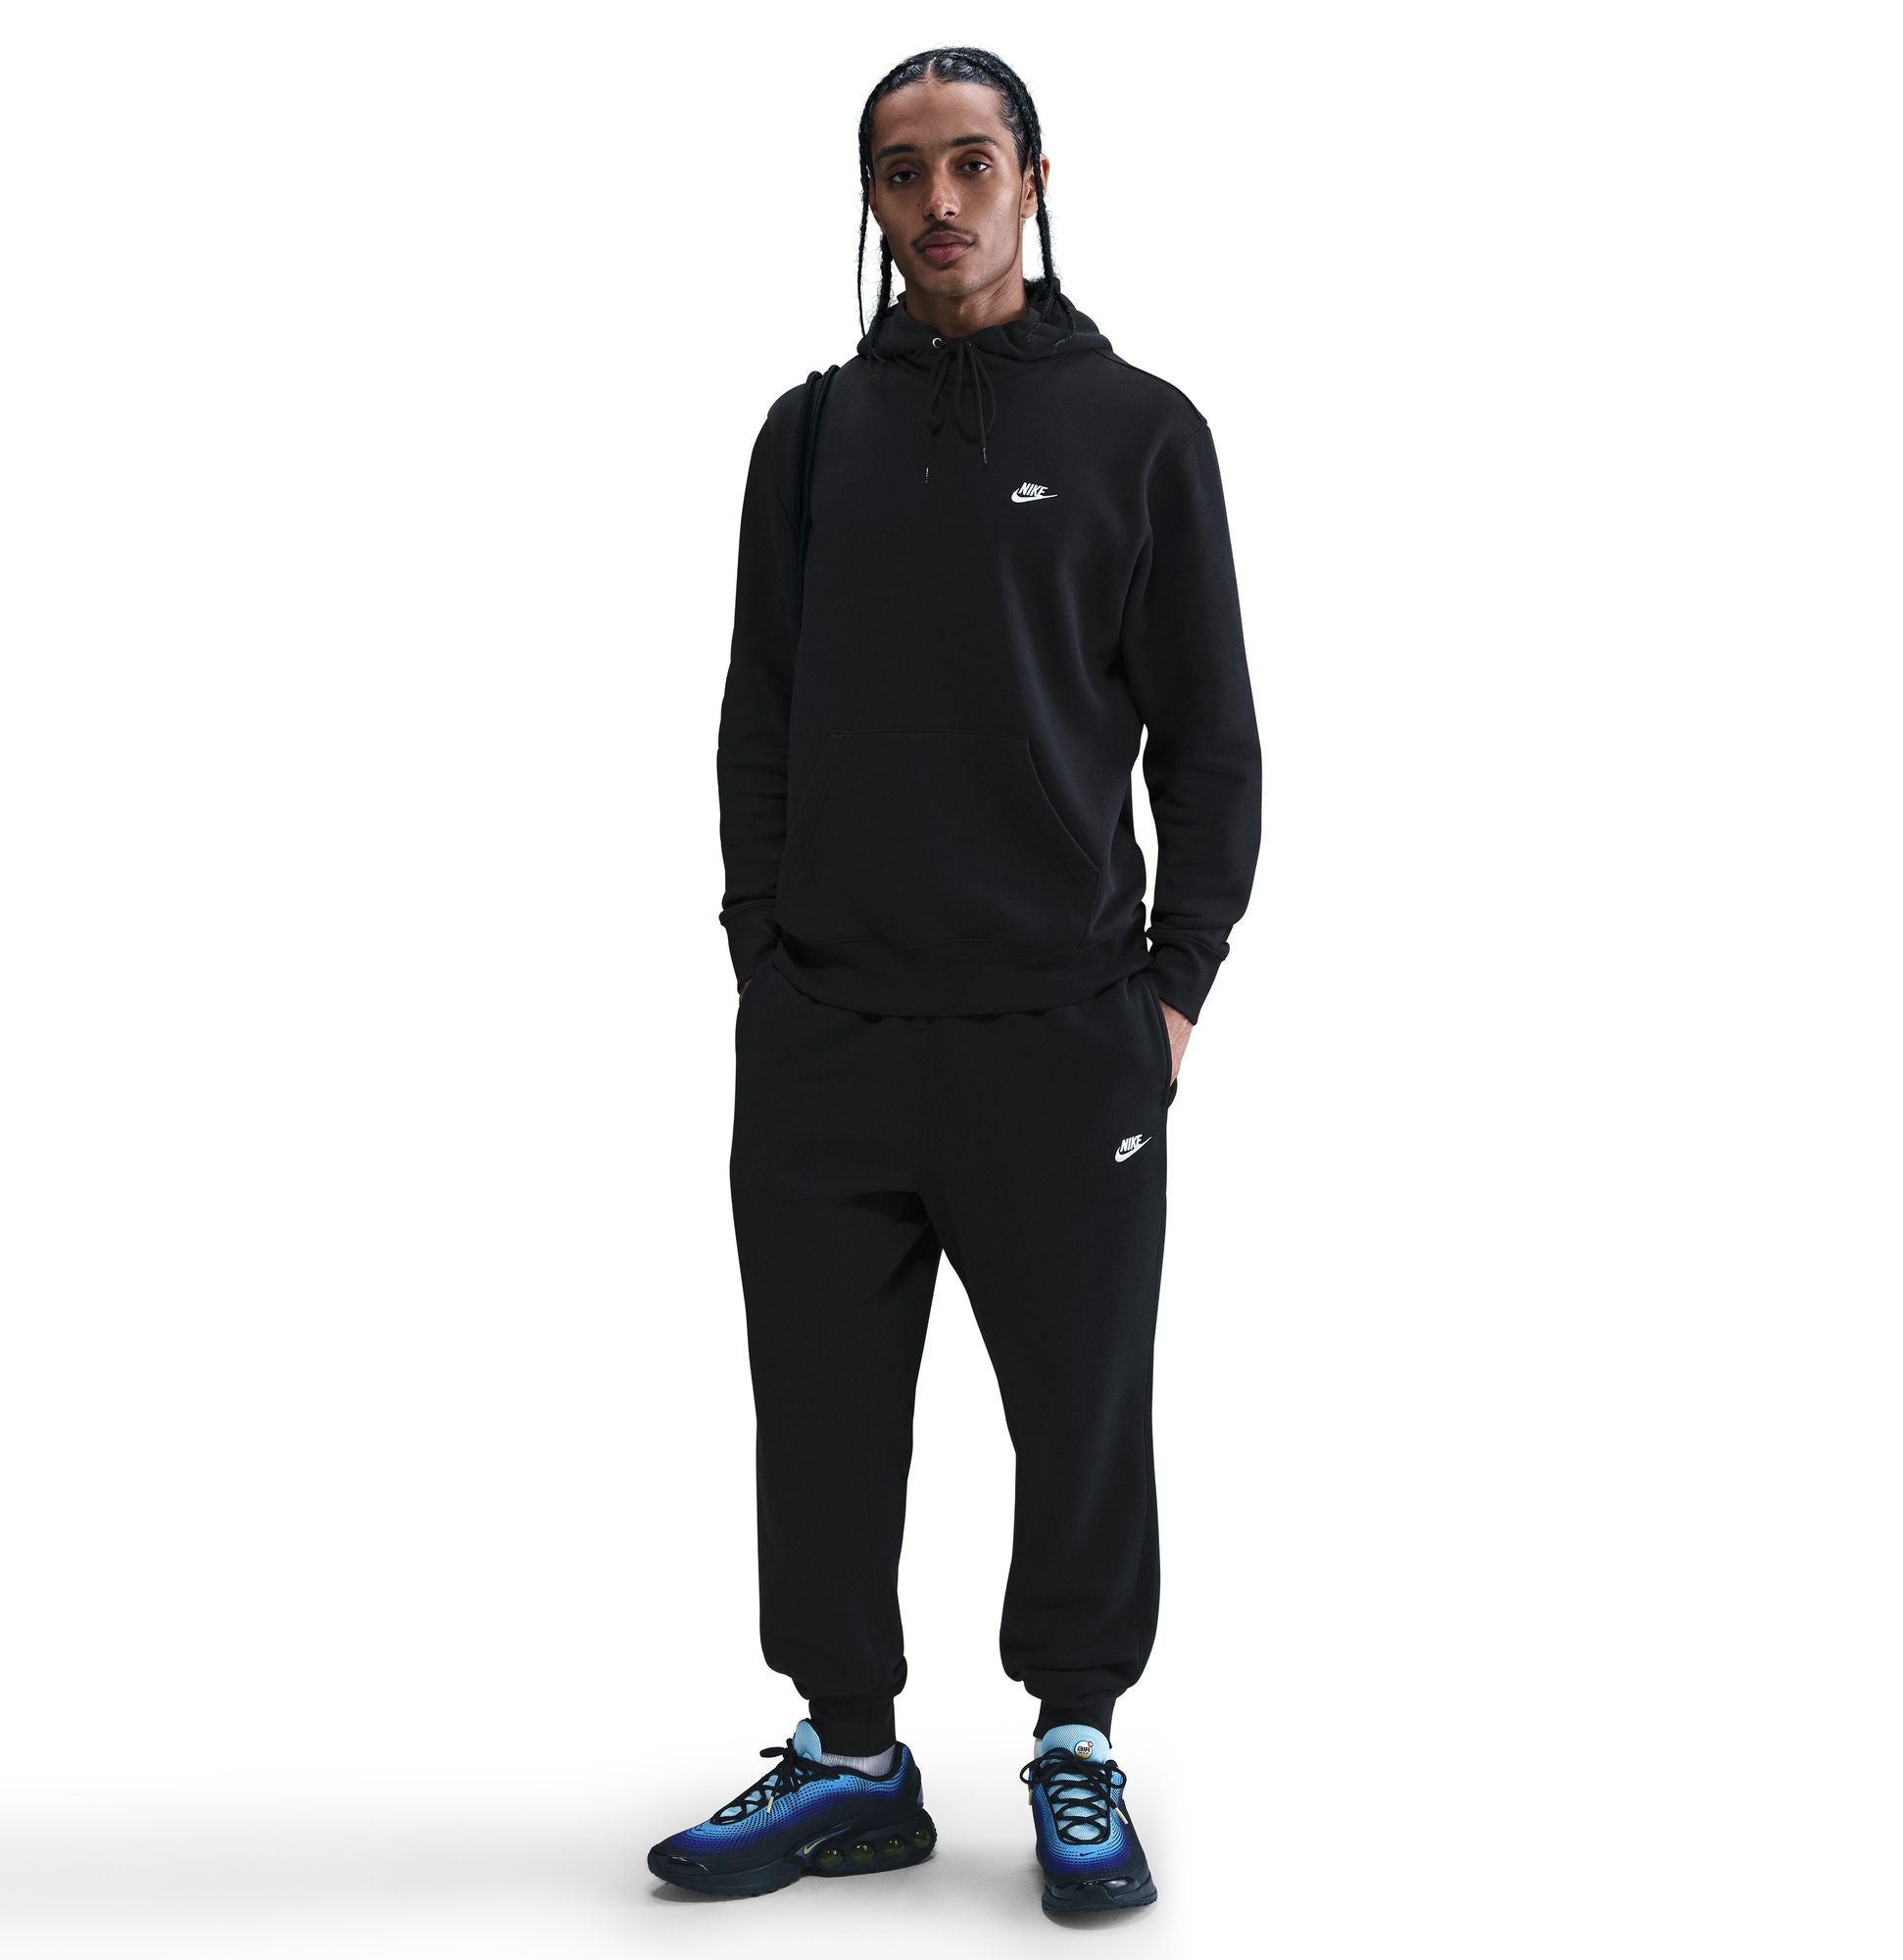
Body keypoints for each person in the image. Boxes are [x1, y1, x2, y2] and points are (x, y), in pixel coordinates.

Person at [648, 46, 1261, 1916]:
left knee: (1082, 1413)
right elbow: (756, 717)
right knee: (821, 1412)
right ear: (871, 198)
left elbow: (1213, 745)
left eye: (971, 164)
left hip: (1061, 1036)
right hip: (829, 1035)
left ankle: (1075, 1741)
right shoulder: (808, 438)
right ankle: (850, 1759)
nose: (939, 203)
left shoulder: (1141, 432)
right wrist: (763, 958)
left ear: (1034, 181)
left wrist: (1171, 993)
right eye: (903, 172)